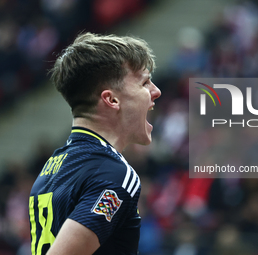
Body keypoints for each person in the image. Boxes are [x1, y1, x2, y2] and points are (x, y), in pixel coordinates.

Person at [28, 32, 161, 255]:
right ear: (111, 100)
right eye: (145, 82)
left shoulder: (53, 166)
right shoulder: (114, 175)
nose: (156, 91)